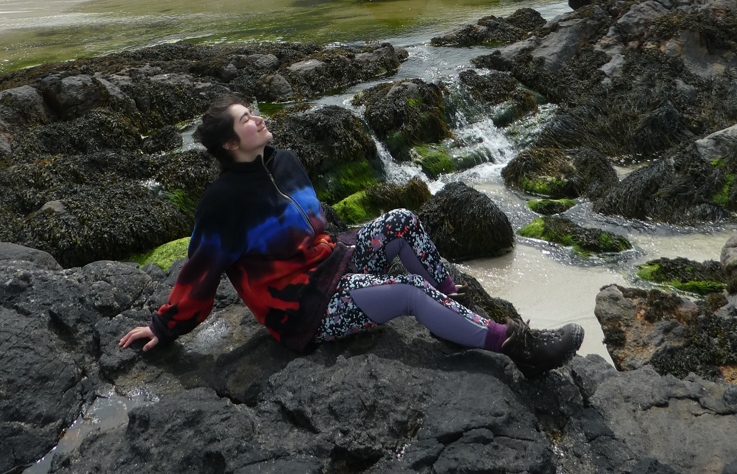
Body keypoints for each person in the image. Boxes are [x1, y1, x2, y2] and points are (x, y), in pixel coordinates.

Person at [119, 95, 585, 377]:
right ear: (228, 144)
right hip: (304, 309)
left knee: (401, 219)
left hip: (333, 265)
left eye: (253, 112)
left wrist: (348, 249)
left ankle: (457, 316)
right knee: (408, 291)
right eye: (246, 120)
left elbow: (318, 224)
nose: (258, 119)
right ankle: (518, 349)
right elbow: (198, 274)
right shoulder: (221, 204)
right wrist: (164, 327)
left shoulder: (285, 162)